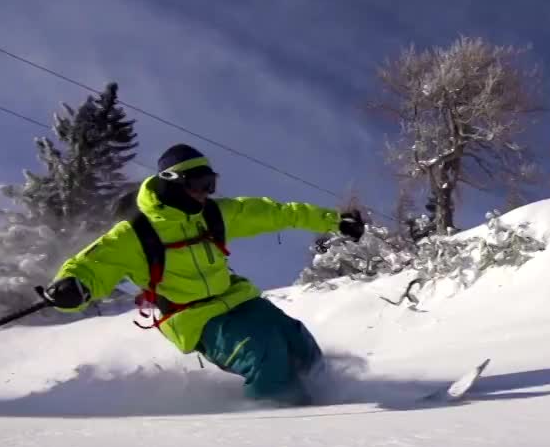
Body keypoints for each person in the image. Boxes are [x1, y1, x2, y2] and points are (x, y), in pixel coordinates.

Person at [43, 144, 365, 405]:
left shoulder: (214, 214)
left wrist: (334, 221)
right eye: (199, 185)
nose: (205, 193)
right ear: (172, 182)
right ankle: (277, 424)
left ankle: (330, 400)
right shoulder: (136, 234)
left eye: (210, 184)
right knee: (264, 352)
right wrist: (74, 287)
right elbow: (92, 264)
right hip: (196, 318)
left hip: (238, 299)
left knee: (298, 341)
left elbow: (276, 213)